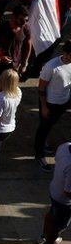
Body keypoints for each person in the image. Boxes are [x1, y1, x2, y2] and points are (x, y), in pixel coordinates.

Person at [38, 40, 71, 171]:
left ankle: (43, 143)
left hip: (63, 103)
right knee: (42, 129)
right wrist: (44, 107)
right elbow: (41, 88)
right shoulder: (51, 66)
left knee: (49, 126)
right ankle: (40, 155)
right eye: (69, 55)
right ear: (65, 52)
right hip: (50, 103)